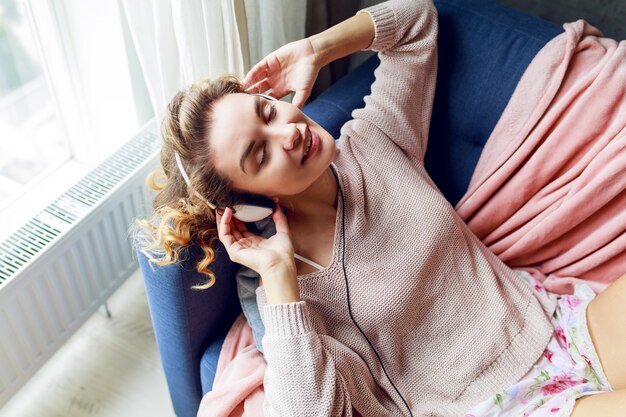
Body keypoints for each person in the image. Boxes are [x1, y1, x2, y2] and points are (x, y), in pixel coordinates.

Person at [138, 0, 626, 415]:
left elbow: (418, 23)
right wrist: (280, 276)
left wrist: (317, 47)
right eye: (260, 154)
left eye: (267, 111)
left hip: (552, 326)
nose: (288, 132)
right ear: (246, 203)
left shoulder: (376, 138)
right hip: (491, 405)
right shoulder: (283, 289)